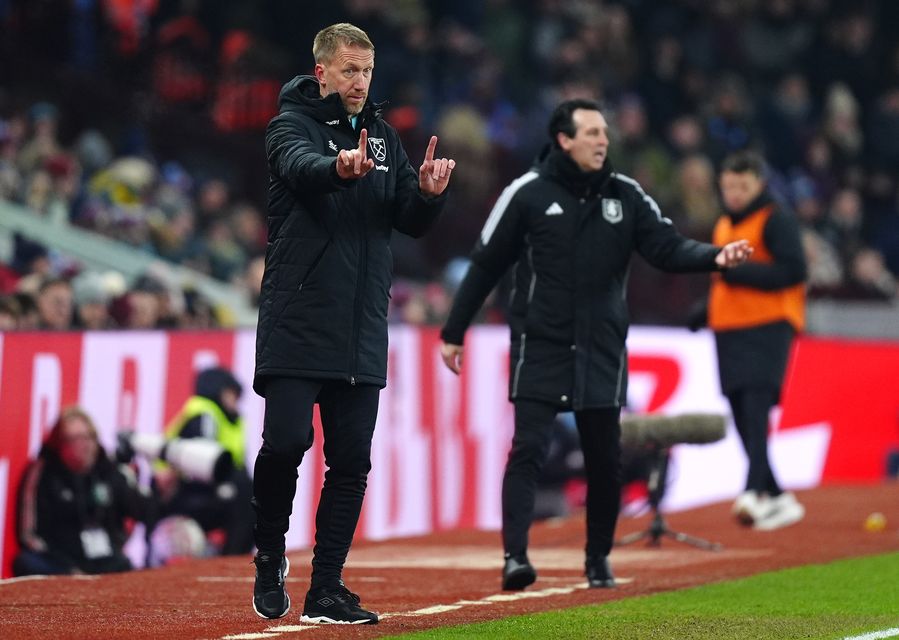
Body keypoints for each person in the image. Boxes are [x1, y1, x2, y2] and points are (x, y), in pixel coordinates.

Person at [439, 98, 750, 592]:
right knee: (528, 451)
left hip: (600, 348)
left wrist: (715, 257)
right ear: (564, 140)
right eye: (591, 133)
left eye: (604, 133)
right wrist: (455, 331)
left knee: (606, 460)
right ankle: (515, 556)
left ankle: (597, 557)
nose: (603, 140)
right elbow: (485, 264)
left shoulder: (626, 195)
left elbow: (667, 247)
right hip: (540, 344)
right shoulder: (526, 194)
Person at [251, 23, 454, 624]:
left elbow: (407, 222)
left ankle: (327, 588)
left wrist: (427, 194)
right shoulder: (288, 126)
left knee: (352, 464)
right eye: (349, 70)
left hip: (361, 326)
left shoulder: (384, 139)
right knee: (285, 444)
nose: (360, 81)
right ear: (321, 73)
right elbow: (306, 169)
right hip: (299, 316)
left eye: (366, 71)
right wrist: (339, 169)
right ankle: (268, 556)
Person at [706, 150, 807, 531]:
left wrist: (740, 274)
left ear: (758, 185)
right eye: (729, 186)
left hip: (769, 324)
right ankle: (778, 496)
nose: (734, 194)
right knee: (740, 411)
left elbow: (794, 270)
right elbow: (723, 280)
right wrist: (705, 310)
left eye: (742, 186)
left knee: (757, 406)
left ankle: (752, 491)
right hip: (730, 327)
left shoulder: (774, 219)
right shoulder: (723, 225)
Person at [14, 406, 153, 576]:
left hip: (106, 559)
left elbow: (142, 510)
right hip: (63, 563)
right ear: (60, 444)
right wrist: (68, 569)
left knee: (134, 572)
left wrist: (150, 485)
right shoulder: (43, 473)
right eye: (76, 439)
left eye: (89, 437)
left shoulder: (108, 470)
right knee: (27, 561)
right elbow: (29, 535)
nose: (85, 445)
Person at [153, 366, 254, 555]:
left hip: (206, 490)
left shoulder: (232, 421)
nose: (234, 400)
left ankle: (236, 557)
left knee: (252, 494)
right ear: (216, 390)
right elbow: (203, 461)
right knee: (246, 494)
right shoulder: (204, 412)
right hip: (182, 491)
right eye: (230, 393)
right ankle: (233, 558)